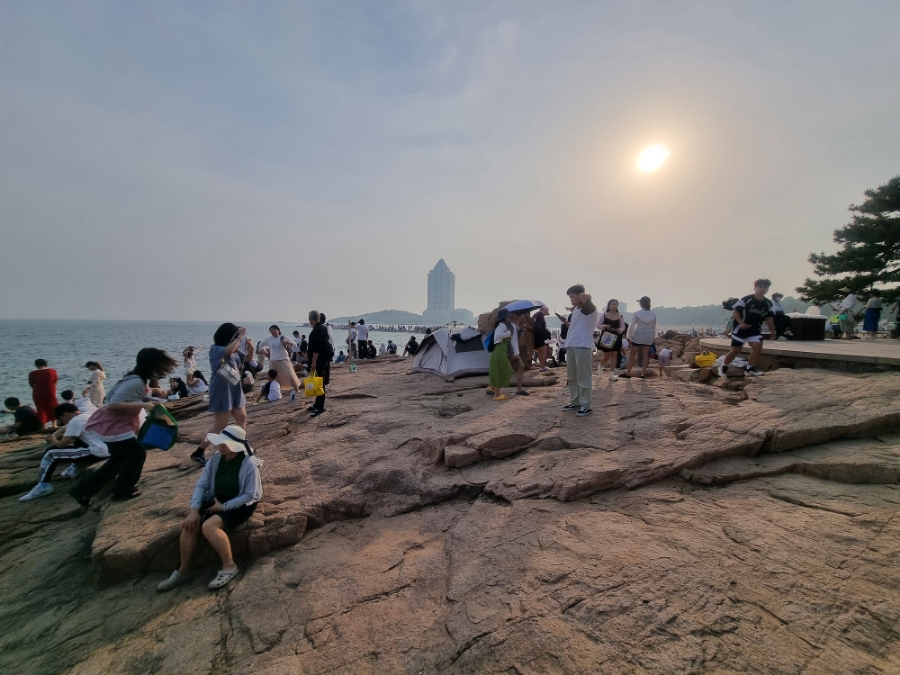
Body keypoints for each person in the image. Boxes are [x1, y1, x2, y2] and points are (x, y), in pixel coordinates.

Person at [157, 425, 262, 592]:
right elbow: (202, 484)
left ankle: (229, 566)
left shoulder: (248, 463)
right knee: (189, 525)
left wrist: (225, 506)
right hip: (217, 498)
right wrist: (194, 510)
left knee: (209, 526)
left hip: (240, 503)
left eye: (225, 442)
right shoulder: (216, 459)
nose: (220, 445)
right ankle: (183, 571)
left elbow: (251, 494)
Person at [70, 348, 177, 506]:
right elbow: (112, 403)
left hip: (113, 423)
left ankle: (83, 490)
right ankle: (122, 490)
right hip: (115, 425)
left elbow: (118, 397)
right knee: (137, 453)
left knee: (119, 459)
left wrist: (148, 400)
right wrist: (145, 403)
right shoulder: (136, 381)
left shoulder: (135, 377)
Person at [19, 403, 109, 501]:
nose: (62, 422)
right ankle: (73, 469)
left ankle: (43, 486)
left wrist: (52, 439)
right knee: (79, 440)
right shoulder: (88, 415)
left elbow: (61, 445)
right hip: (109, 448)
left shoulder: (74, 421)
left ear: (66, 414)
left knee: (51, 453)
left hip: (99, 452)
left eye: (61, 419)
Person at [191, 324, 249, 466]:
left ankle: (239, 446)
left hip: (234, 388)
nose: (237, 339)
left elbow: (245, 360)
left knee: (242, 417)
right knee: (221, 424)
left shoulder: (234, 350)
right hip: (222, 389)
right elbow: (228, 351)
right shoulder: (216, 349)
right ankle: (199, 452)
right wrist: (240, 336)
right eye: (235, 336)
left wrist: (251, 348)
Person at [717, 279, 777, 377]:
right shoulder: (746, 299)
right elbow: (735, 312)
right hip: (740, 329)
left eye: (765, 287)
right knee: (737, 349)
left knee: (757, 348)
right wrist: (741, 323)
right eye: (760, 287)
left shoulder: (768, 303)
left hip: (755, 329)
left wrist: (772, 331)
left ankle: (750, 369)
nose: (762, 289)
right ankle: (723, 366)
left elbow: (769, 319)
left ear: (767, 289)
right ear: (755, 288)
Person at [561, 285, 598, 417]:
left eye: (572, 296)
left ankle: (586, 405)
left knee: (584, 377)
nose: (571, 299)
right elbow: (575, 327)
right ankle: (575, 401)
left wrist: (580, 293)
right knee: (572, 378)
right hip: (572, 346)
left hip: (583, 346)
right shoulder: (577, 310)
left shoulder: (590, 309)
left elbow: (584, 296)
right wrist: (566, 320)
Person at [259, 325, 301, 397]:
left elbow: (295, 345)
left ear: (278, 330)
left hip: (284, 358)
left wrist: (288, 343)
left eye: (274, 330)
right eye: (271, 330)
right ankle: (274, 391)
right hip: (273, 360)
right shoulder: (269, 339)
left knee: (290, 374)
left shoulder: (283, 337)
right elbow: (260, 345)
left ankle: (296, 389)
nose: (273, 332)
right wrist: (264, 352)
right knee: (274, 377)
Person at [623, 297, 658, 379]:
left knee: (632, 354)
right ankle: (643, 373)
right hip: (648, 336)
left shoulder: (637, 313)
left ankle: (628, 372)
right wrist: (653, 337)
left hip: (638, 335)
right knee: (645, 355)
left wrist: (629, 336)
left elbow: (632, 326)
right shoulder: (653, 314)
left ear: (642, 303)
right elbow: (655, 327)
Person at [307, 310, 333, 417]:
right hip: (324, 360)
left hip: (319, 361)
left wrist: (313, 362)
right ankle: (317, 403)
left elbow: (316, 348)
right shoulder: (323, 328)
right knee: (319, 382)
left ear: (310, 318)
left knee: (320, 383)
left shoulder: (317, 330)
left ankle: (320, 406)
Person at [487, 311, 516, 400]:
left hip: (500, 351)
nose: (509, 318)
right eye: (508, 316)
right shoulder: (502, 325)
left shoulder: (500, 325)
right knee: (504, 370)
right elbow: (497, 336)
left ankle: (496, 390)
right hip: (500, 352)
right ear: (505, 317)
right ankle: (497, 394)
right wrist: (508, 334)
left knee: (501, 370)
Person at [596, 300, 626, 381]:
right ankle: (600, 365)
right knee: (607, 356)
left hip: (616, 336)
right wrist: (604, 326)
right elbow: (598, 325)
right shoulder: (604, 315)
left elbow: (623, 327)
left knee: (614, 354)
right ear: (609, 306)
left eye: (616, 304)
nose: (614, 305)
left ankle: (612, 374)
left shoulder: (620, 316)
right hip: (606, 336)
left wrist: (620, 330)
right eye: (612, 304)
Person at [28, 359, 58, 428]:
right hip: (50, 391)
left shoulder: (32, 373)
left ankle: (44, 426)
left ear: (36, 365)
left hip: (38, 392)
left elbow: (31, 384)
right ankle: (54, 425)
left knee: (41, 408)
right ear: (46, 364)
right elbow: (55, 381)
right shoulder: (52, 371)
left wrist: (36, 389)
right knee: (53, 407)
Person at [532, 306, 553, 371]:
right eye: (546, 313)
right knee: (543, 350)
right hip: (539, 335)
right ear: (543, 310)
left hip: (535, 335)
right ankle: (543, 366)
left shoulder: (535, 315)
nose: (545, 315)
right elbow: (539, 327)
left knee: (540, 351)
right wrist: (546, 333)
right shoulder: (540, 315)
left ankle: (542, 365)